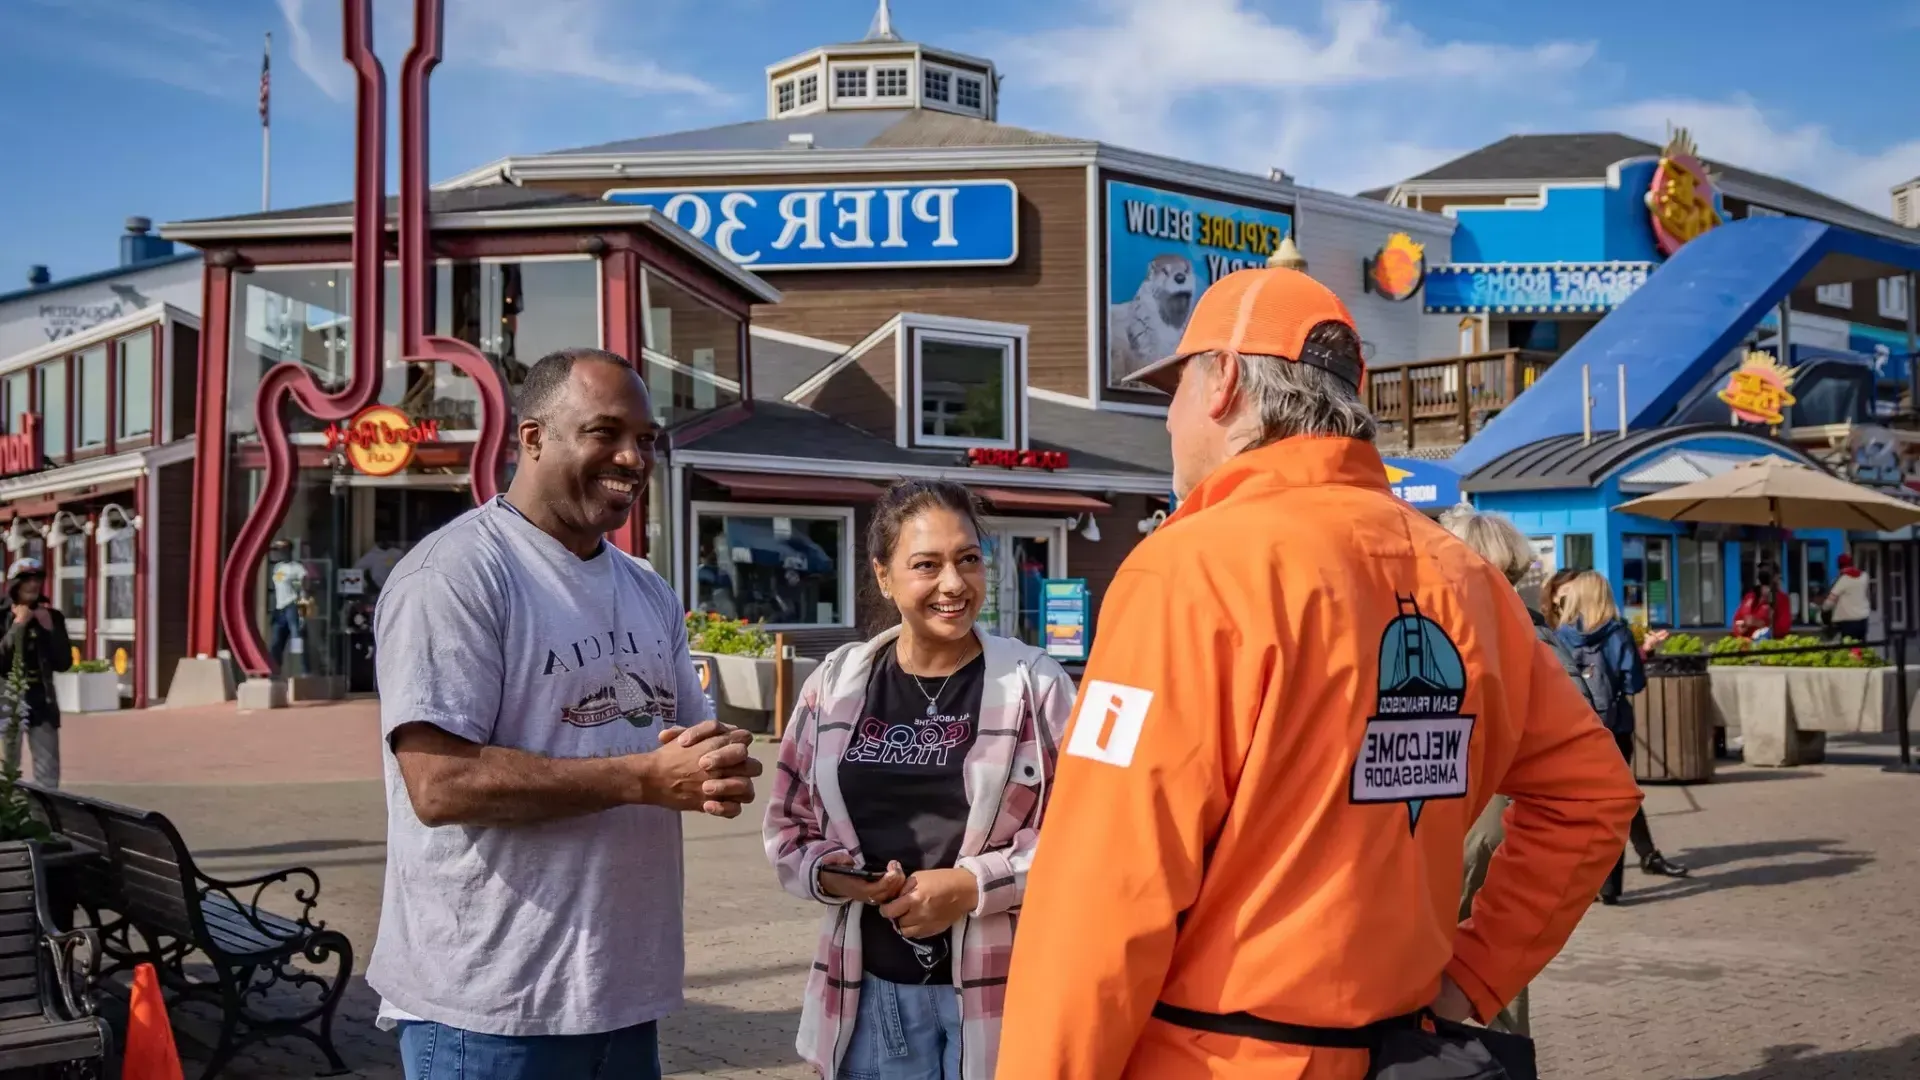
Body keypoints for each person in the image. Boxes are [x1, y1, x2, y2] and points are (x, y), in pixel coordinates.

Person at [996, 267, 1643, 1080]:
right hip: (1408, 1054)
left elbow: (1100, 893)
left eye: (1177, 386)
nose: (1167, 419)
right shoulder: (1464, 578)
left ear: (1225, 380)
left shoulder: (1190, 571)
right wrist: (1472, 975)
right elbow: (1593, 792)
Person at [368, 346, 764, 1080]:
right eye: (605, 432)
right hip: (488, 1008)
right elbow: (439, 785)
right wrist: (643, 779)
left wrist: (716, 760)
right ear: (532, 438)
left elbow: (680, 733)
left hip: (619, 994)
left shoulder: (645, 587)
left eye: (645, 439)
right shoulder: (453, 576)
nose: (631, 457)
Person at [764, 480, 1075, 1080]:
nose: (954, 584)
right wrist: (841, 879)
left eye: (968, 560)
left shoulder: (1035, 686)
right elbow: (786, 826)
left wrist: (971, 886)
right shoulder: (834, 685)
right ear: (884, 576)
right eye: (926, 565)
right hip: (867, 989)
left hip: (1003, 991)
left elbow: (1088, 838)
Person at [1438, 508, 1598, 1038]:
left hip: (1484, 823)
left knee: (1469, 966)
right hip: (1495, 823)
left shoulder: (1490, 639)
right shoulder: (1529, 635)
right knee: (1490, 969)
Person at [1554, 571, 1690, 906]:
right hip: (1614, 729)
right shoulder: (1618, 632)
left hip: (1575, 729)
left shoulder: (1562, 635)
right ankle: (1611, 884)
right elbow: (1633, 683)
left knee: (1581, 805)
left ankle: (1573, 879)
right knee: (1615, 803)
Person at [0, 559, 72, 787]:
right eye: (27, 580)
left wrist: (50, 629)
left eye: (37, 580)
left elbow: (63, 663)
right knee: (6, 768)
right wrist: (18, 625)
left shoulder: (52, 616)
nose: (33, 585)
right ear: (14, 584)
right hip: (7, 700)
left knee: (48, 771)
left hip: (42, 699)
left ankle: (45, 820)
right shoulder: (2, 616)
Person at [267, 539, 309, 673]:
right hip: (280, 608)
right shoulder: (277, 567)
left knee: (297, 640)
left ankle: (303, 671)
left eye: (282, 551)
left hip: (292, 606)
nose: (279, 554)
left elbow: (304, 591)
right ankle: (275, 671)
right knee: (276, 642)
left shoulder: (297, 568)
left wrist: (303, 613)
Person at [1823, 554, 1871, 642]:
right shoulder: (1864, 576)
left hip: (1848, 622)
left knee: (1848, 650)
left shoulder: (1843, 580)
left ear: (1839, 566)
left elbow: (1830, 601)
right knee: (1860, 649)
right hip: (1863, 619)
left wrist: (1824, 609)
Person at [1733, 567, 1791, 640]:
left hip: (1766, 646)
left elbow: (1783, 628)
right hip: (1745, 645)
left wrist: (1761, 625)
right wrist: (1740, 629)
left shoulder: (1781, 599)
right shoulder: (1749, 596)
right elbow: (1737, 620)